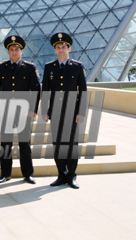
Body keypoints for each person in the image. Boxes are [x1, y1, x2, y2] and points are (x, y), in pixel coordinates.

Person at [0, 35, 40, 184]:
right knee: (6, 144)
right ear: (8, 52)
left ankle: (28, 174)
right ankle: (5, 174)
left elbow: (36, 90)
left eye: (16, 49)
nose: (14, 52)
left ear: (21, 51)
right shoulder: (0, 68)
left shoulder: (30, 68)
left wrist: (33, 110)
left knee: (24, 144)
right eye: (11, 49)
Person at [42, 32, 87, 189]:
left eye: (63, 47)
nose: (61, 50)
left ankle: (72, 175)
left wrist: (81, 112)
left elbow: (83, 91)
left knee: (72, 145)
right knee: (58, 144)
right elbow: (46, 90)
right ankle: (61, 174)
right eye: (58, 47)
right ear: (54, 50)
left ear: (69, 49)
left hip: (72, 111)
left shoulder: (77, 67)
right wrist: (44, 110)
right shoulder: (49, 68)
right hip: (55, 111)